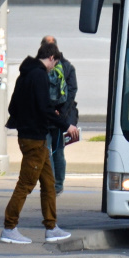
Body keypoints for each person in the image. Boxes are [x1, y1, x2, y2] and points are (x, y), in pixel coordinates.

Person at [0, 42, 78, 244]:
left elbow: (13, 107)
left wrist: (29, 119)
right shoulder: (40, 75)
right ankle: (9, 227)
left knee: (48, 183)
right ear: (51, 58)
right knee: (26, 184)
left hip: (32, 137)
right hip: (35, 138)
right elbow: (44, 107)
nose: (53, 68)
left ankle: (51, 227)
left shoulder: (24, 75)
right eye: (55, 64)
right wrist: (65, 125)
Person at [40, 35, 78, 195]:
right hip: (62, 118)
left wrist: (50, 110)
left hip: (44, 116)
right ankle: (58, 185)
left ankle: (49, 185)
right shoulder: (67, 66)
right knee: (59, 151)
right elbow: (72, 91)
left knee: (46, 152)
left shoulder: (40, 67)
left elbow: (38, 93)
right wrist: (61, 113)